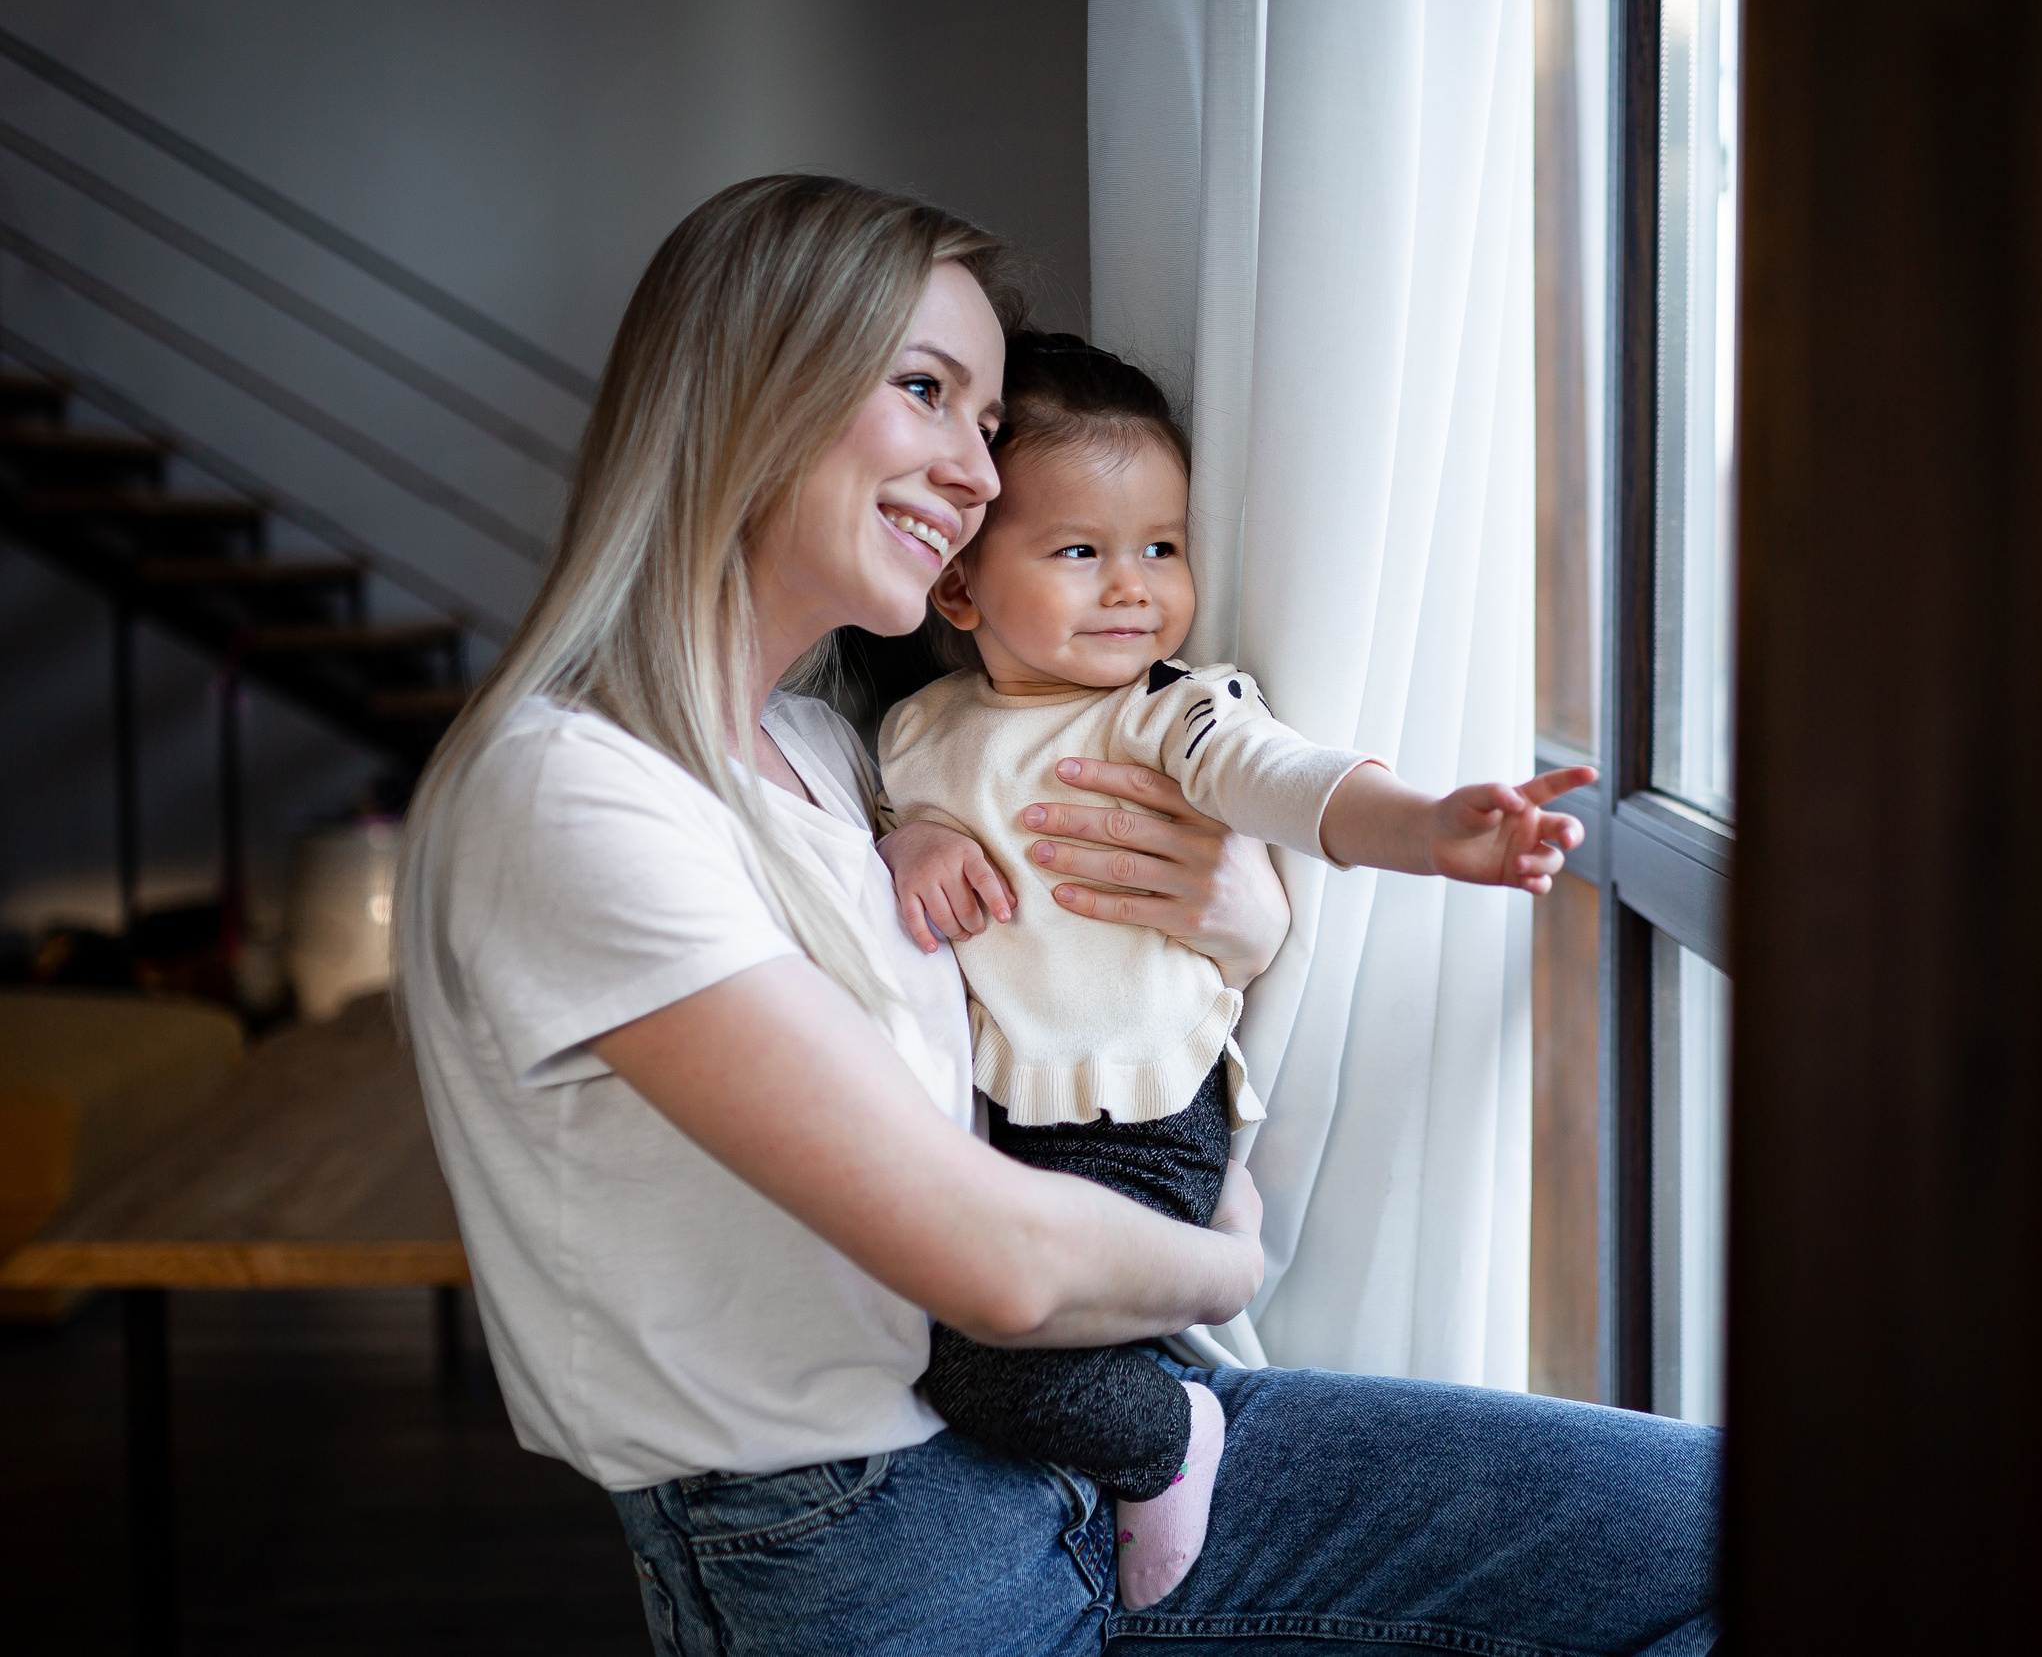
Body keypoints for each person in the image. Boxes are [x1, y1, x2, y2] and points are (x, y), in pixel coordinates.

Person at [396, 174, 1718, 1657]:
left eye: (985, 422)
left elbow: (1057, 947)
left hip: (1082, 1428)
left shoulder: (825, 752)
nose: (976, 473)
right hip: (880, 1539)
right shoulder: (572, 794)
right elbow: (997, 1264)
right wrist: (1230, 1251)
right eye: (925, 392)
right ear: (750, 387)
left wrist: (1246, 924)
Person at [875, 330, 1597, 1607]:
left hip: (1143, 1122)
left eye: (1161, 547)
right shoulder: (917, 732)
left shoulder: (1173, 709)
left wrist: (1430, 828)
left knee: (979, 1364)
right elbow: (889, 826)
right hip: (1004, 1126)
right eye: (1080, 552)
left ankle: (1171, 1435)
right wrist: (913, 839)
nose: (1133, 588)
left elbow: (1291, 781)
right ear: (961, 589)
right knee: (932, 1329)